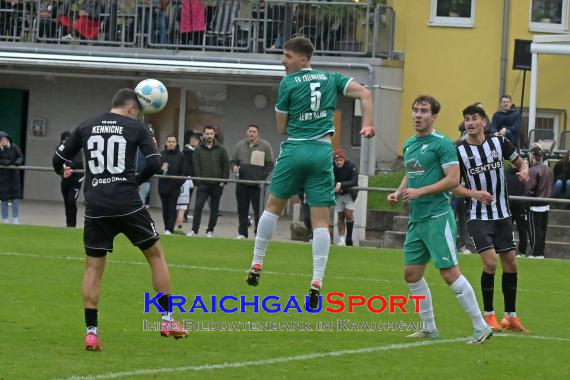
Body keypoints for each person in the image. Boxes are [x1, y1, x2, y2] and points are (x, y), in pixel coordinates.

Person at [245, 37, 376, 310]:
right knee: (321, 222)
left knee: (272, 207)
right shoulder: (331, 77)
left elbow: (281, 126)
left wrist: (295, 121)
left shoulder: (289, 83)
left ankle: (257, 261)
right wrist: (367, 125)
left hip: (295, 150)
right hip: (321, 152)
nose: (283, 60)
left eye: (288, 56)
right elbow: (365, 93)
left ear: (303, 60)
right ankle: (317, 281)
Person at [52, 88, 188, 351]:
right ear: (130, 108)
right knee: (156, 256)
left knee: (93, 268)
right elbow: (154, 162)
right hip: (126, 203)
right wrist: (134, 181)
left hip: (96, 204)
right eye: (136, 110)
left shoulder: (85, 125)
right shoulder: (136, 127)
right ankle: (167, 319)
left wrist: (62, 170)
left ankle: (92, 332)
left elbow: (58, 158)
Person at [387, 96, 492, 344]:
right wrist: (399, 190)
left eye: (424, 111)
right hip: (417, 219)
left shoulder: (443, 144)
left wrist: (420, 192)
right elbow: (410, 173)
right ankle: (429, 328)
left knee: (449, 273)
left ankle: (481, 326)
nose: (418, 115)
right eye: (415, 110)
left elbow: (453, 180)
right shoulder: (410, 143)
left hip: (437, 217)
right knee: (411, 274)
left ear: (434, 116)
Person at [453, 104, 529, 333]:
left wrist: (524, 169)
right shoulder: (458, 151)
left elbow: (521, 162)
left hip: (503, 214)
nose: (470, 122)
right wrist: (474, 193)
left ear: (484, 122)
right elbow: (453, 187)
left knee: (511, 263)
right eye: (467, 119)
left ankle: (511, 317)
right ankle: (488, 315)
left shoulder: (499, 142)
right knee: (490, 263)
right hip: (478, 216)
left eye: (474, 118)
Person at [231, 124, 275, 239]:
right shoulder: (239, 145)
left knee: (258, 211)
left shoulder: (265, 145)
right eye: (250, 131)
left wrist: (261, 177)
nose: (251, 133)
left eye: (254, 131)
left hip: (258, 185)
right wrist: (234, 167)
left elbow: (270, 164)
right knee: (242, 210)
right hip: (242, 184)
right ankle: (242, 233)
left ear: (258, 133)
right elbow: (232, 161)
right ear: (247, 132)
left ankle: (258, 234)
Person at [190, 125, 230, 237]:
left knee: (214, 209)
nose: (209, 136)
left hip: (217, 184)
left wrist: (223, 181)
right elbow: (196, 166)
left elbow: (225, 166)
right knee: (198, 207)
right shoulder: (198, 149)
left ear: (214, 135)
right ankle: (194, 230)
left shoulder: (221, 149)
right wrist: (198, 181)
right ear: (203, 135)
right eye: (207, 134)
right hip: (203, 184)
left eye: (211, 134)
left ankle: (210, 230)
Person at [525, 146, 554, 259]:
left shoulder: (533, 170)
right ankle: (540, 252)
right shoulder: (549, 169)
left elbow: (529, 189)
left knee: (534, 230)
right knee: (542, 229)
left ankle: (535, 253)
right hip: (546, 204)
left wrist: (525, 203)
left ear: (532, 156)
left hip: (535, 204)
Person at [158, 135, 187, 235]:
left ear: (176, 143)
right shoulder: (161, 155)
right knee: (165, 209)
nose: (171, 143)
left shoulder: (181, 156)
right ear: (166, 143)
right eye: (169, 141)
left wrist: (178, 184)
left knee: (172, 208)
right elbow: (156, 169)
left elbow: (184, 173)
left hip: (174, 188)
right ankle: (167, 228)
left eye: (173, 141)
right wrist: (161, 169)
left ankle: (169, 229)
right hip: (162, 187)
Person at [332, 148, 358, 246]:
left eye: (340, 160)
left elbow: (354, 181)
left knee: (348, 214)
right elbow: (329, 178)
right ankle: (341, 240)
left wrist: (341, 184)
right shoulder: (332, 167)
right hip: (338, 195)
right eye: (336, 160)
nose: (338, 162)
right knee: (340, 217)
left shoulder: (351, 166)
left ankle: (349, 237)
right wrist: (336, 184)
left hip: (349, 194)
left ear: (344, 160)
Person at [59, 131, 84, 227]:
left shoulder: (77, 149)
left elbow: (77, 162)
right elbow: (57, 164)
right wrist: (62, 173)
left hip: (76, 179)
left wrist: (66, 165)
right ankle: (68, 223)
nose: (65, 142)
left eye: (67, 139)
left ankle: (72, 225)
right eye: (63, 140)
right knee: (66, 202)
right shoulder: (59, 149)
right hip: (65, 179)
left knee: (71, 200)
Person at [0, 131, 24, 224]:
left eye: (5, 139)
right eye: (2, 139)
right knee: (4, 201)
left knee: (15, 201)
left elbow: (20, 156)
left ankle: (15, 219)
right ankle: (5, 220)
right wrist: (6, 163)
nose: (4, 141)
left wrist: (17, 162)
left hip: (14, 178)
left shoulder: (14, 147)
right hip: (2, 179)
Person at [505, 166, 529, 256]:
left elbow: (528, 187)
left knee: (522, 229)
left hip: (520, 206)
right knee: (506, 228)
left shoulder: (524, 173)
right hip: (508, 205)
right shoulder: (505, 172)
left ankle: (522, 251)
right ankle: (505, 249)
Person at [182, 133, 200, 222]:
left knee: (187, 197)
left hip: (191, 177)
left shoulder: (186, 151)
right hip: (189, 177)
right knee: (186, 197)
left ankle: (184, 214)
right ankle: (183, 215)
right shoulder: (189, 152)